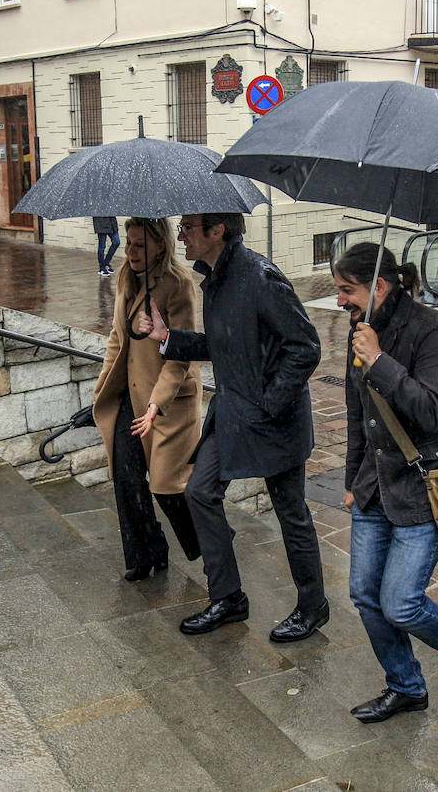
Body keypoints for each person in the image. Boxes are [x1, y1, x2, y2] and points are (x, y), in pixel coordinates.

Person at [140, 213, 328, 641]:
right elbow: (225, 345)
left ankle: (313, 606)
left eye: (189, 227)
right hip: (232, 414)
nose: (182, 235)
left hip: (273, 420)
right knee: (200, 492)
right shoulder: (216, 277)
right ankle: (228, 598)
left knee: (291, 514)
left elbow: (306, 347)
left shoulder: (260, 276)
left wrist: (270, 403)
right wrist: (169, 338)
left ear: (217, 231)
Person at [333, 244, 438, 723]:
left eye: (346, 290)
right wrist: (352, 479)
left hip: (424, 488)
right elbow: (359, 414)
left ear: (378, 287)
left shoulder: (432, 331)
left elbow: (432, 411)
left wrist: (379, 360)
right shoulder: (361, 331)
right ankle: (405, 685)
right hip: (374, 485)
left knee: (400, 603)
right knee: (364, 593)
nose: (339, 301)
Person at [93, 217, 202, 581]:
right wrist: (104, 386)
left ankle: (209, 540)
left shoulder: (178, 284)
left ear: (160, 245)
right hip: (131, 394)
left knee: (167, 487)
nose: (131, 251)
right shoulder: (126, 275)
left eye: (139, 245)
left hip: (168, 399)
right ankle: (144, 553)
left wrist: (158, 402)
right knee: (125, 477)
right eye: (128, 242)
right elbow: (116, 337)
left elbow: (181, 355)